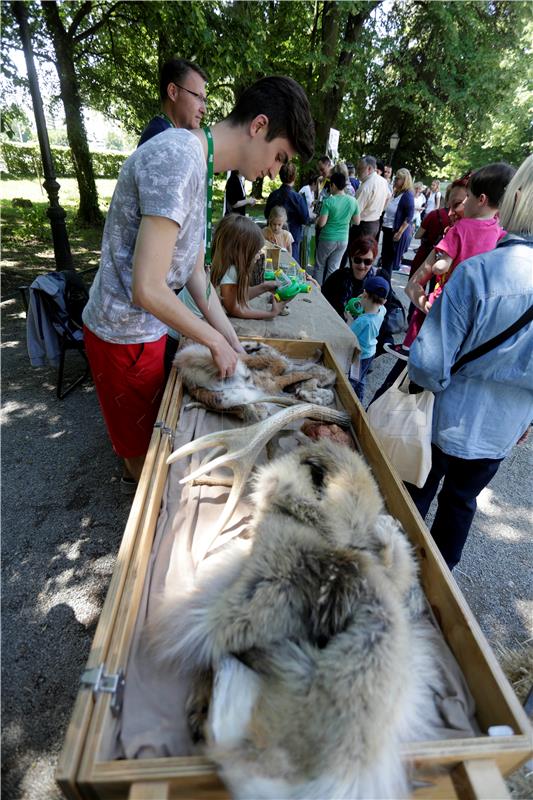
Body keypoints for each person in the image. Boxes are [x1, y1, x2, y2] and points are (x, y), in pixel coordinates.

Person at [82, 75, 314, 487]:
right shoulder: (179, 157)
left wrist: (232, 341)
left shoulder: (200, 163)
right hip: (122, 335)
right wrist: (213, 340)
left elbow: (191, 269)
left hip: (144, 331)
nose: (277, 172)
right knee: (142, 457)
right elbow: (148, 287)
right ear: (258, 126)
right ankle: (142, 514)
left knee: (154, 433)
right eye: (279, 156)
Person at [406, 154, 533, 571]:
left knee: (415, 496)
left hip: (448, 417)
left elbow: (427, 364)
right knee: (461, 503)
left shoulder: (479, 274)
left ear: (515, 198)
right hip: (502, 430)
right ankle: (440, 593)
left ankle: (395, 573)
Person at [403, 162, 515, 348]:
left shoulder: (461, 231)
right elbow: (412, 287)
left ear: (480, 199)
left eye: (459, 203)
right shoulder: (498, 236)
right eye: (449, 205)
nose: (450, 212)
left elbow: (435, 270)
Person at [177, 214, 286, 321]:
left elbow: (234, 298)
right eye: (256, 251)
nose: (258, 255)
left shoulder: (223, 263)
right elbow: (234, 309)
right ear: (241, 252)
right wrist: (271, 313)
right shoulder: (231, 270)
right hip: (179, 333)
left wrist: (265, 287)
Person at [138, 59, 208, 146]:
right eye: (199, 97)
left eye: (204, 100)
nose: (204, 110)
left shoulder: (161, 132)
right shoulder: (161, 140)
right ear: (173, 92)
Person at [347, 275, 390, 403]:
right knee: (362, 377)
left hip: (359, 355)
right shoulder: (382, 310)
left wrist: (349, 318)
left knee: (352, 380)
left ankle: (350, 400)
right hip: (371, 352)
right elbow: (380, 308)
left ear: (364, 294)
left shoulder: (362, 321)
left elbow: (350, 333)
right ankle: (359, 400)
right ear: (384, 301)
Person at [313, 173, 360, 285]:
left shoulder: (329, 201)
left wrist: (317, 220)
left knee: (320, 266)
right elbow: (357, 221)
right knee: (334, 268)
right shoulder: (353, 201)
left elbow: (322, 223)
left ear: (333, 185)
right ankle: (329, 295)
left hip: (327, 238)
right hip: (343, 239)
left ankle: (317, 292)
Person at [322, 234, 378, 318]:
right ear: (351, 258)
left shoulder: (378, 282)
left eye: (367, 262)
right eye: (357, 260)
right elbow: (323, 300)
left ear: (373, 261)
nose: (362, 266)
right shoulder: (338, 277)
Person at [264, 163, 309, 260]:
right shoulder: (298, 198)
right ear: (294, 177)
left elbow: (266, 214)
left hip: (274, 238)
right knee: (291, 266)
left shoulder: (273, 195)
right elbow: (305, 219)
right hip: (290, 239)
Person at [379, 167, 415, 280]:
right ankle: (385, 285)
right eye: (395, 178)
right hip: (387, 229)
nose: (395, 180)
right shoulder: (396, 192)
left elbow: (409, 216)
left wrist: (399, 232)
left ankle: (386, 287)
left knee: (388, 262)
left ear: (404, 180)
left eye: (398, 178)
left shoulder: (407, 195)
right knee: (385, 260)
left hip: (394, 232)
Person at [352, 155, 391, 240]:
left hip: (363, 226)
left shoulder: (366, 187)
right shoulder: (383, 181)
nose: (357, 171)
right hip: (375, 223)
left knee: (357, 252)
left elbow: (355, 212)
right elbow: (389, 196)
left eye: (360, 169)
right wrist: (379, 211)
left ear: (369, 169)